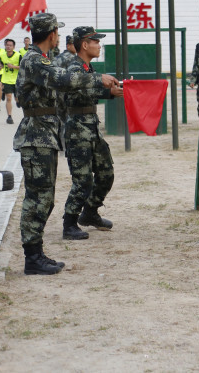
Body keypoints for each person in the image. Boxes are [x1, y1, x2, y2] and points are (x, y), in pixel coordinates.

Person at [14, 13, 118, 275]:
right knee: (38, 198)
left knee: (44, 198)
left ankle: (36, 255)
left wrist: (101, 86)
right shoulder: (35, 60)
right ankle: (32, 257)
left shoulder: (42, 59)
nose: (59, 36)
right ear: (51, 35)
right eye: (56, 32)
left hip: (45, 134)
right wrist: (98, 79)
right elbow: (63, 81)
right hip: (36, 135)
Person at [62, 27, 123, 241]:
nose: (99, 45)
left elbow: (90, 91)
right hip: (78, 130)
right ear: (84, 45)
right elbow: (76, 88)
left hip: (92, 128)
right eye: (95, 41)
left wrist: (110, 92)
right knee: (83, 180)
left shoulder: (88, 67)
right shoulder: (73, 66)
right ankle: (69, 223)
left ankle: (90, 212)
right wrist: (103, 86)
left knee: (106, 173)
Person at [0, 38, 21, 124]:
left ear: (13, 47)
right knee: (9, 98)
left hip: (16, 80)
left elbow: (22, 67)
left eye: (10, 45)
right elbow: (2, 64)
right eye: (7, 45)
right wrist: (1, 67)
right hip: (6, 80)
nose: (8, 47)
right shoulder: (2, 56)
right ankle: (9, 116)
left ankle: (18, 101)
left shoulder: (18, 56)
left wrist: (13, 67)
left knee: (17, 98)